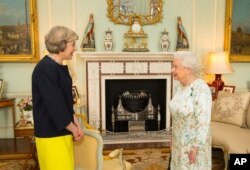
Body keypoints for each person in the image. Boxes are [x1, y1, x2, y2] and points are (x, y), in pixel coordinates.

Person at [32, 26, 84, 170]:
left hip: (62, 131)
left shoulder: (59, 67)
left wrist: (75, 123)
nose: (75, 48)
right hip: (51, 133)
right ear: (61, 44)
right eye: (73, 44)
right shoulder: (45, 69)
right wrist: (73, 129)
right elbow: (55, 106)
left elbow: (65, 101)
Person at [169, 51, 212, 169]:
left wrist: (195, 148)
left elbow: (203, 123)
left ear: (188, 69)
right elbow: (177, 115)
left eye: (175, 67)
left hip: (193, 147)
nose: (172, 70)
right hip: (179, 143)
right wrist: (172, 137)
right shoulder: (180, 87)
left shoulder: (201, 89)